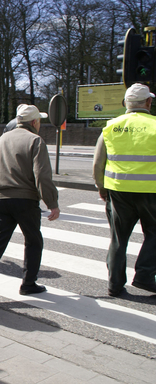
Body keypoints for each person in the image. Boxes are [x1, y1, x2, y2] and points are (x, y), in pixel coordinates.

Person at [0, 104, 60, 300]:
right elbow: (42, 176)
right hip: (25, 199)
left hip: (1, 197)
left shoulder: (2, 139)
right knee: (33, 240)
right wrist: (52, 203)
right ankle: (28, 284)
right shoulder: (35, 140)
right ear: (34, 122)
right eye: (39, 121)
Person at [92, 83, 156, 297]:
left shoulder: (111, 127)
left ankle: (115, 285)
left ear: (126, 104)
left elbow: (98, 164)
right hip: (152, 192)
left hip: (118, 192)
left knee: (118, 238)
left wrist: (102, 188)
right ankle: (145, 275)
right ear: (148, 102)